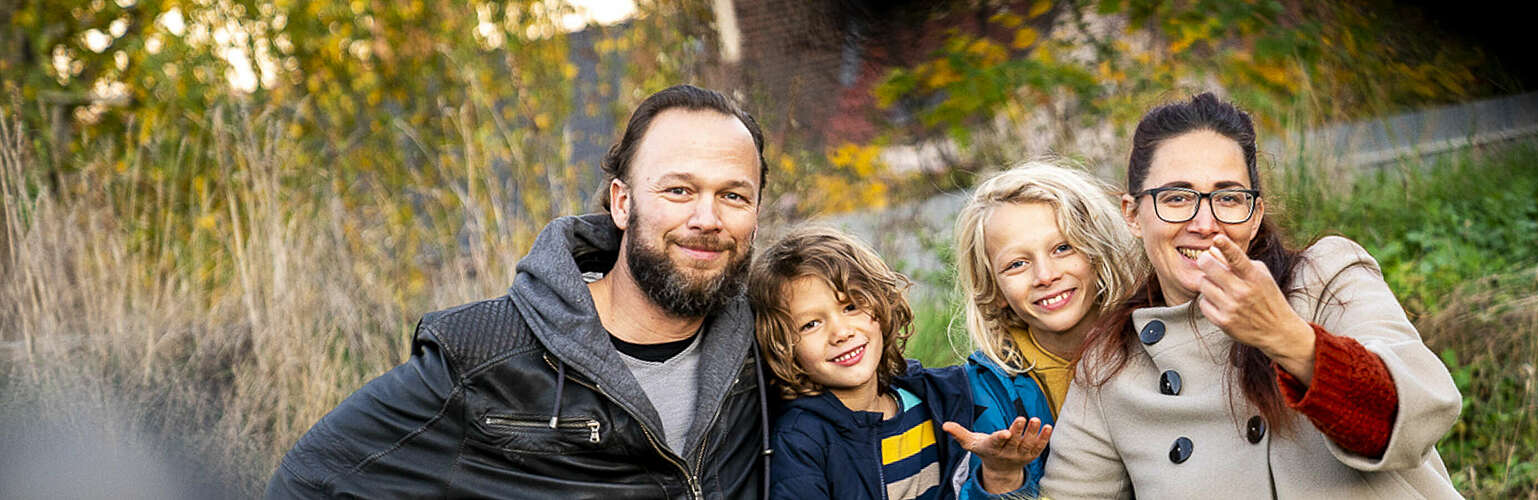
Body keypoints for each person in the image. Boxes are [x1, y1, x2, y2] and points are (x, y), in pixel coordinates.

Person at [267, 85, 774, 499]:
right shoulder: (484, 356)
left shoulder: (774, 343)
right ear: (623, 203)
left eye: (732, 195)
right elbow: (312, 479)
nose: (706, 219)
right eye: (679, 190)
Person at [1040, 92, 1462, 498]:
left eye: (1227, 198)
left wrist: (1288, 339)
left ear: (1255, 215)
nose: (1205, 223)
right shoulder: (1112, 364)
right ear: (1133, 215)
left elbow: (1416, 417)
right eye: (1177, 197)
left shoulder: (1326, 276)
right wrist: (1003, 477)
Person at [941, 162, 1145, 498]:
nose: (1045, 275)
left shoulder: (1152, 343)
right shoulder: (986, 388)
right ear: (994, 290)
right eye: (1017, 264)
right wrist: (1001, 475)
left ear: (1098, 253)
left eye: (1063, 248)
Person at [750, 227, 976, 500]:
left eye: (851, 307)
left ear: (880, 303)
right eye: (810, 324)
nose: (841, 332)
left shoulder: (937, 398)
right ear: (781, 345)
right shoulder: (800, 439)